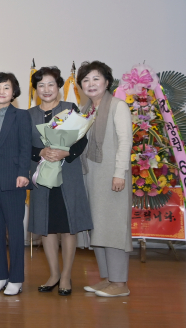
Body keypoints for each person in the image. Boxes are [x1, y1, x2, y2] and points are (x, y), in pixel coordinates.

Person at [28, 66, 93, 296]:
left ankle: (66, 276)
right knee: (47, 227)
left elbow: (81, 140)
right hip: (42, 176)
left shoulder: (70, 109)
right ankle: (54, 274)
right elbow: (25, 146)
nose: (46, 89)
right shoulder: (29, 114)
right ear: (35, 89)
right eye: (41, 85)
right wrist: (41, 153)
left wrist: (66, 153)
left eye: (51, 85)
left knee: (67, 226)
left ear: (59, 87)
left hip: (68, 175)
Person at [78, 61, 133, 297]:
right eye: (86, 80)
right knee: (98, 228)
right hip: (91, 176)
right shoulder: (86, 110)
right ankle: (108, 279)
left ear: (107, 82)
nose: (91, 84)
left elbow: (125, 142)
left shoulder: (118, 106)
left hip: (112, 177)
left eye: (96, 79)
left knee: (113, 228)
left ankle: (120, 284)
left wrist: (119, 173)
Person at [0, 72, 31, 296]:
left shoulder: (21, 116)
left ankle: (16, 278)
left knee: (15, 231)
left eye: (6, 88)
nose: (1, 91)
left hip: (13, 179)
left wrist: (23, 173)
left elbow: (25, 147)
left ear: (14, 92)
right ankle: (0, 276)